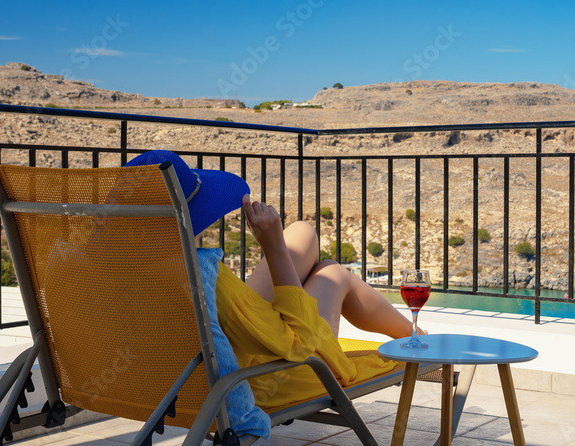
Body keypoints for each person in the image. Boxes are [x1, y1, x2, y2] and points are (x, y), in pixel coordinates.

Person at [126, 150, 420, 410]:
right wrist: (274, 246)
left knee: (303, 233)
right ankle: (417, 338)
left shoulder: (120, 272)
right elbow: (299, 344)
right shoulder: (207, 279)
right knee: (332, 272)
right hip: (266, 379)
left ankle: (414, 334)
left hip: (180, 385)